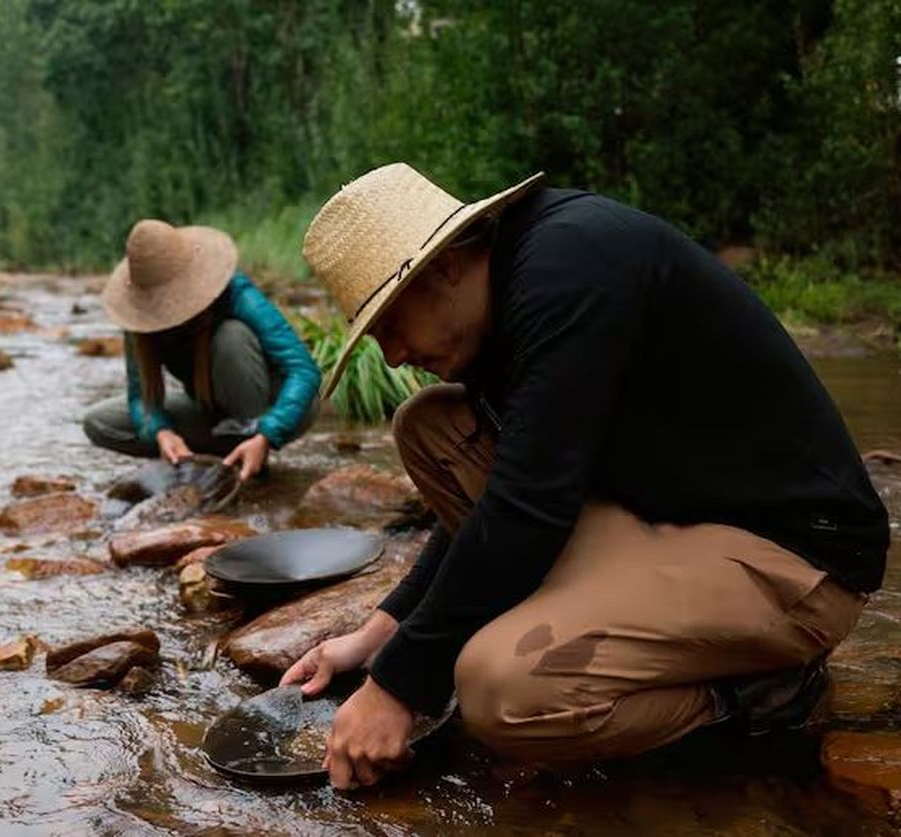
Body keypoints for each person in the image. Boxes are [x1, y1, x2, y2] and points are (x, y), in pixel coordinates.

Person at [286, 163, 890, 790]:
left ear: (442, 267)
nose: (394, 355)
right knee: (430, 426)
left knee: (499, 691)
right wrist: (382, 634)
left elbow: (526, 506)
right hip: (674, 521)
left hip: (799, 560)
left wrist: (397, 688)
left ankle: (761, 689)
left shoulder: (570, 269)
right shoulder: (507, 292)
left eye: (389, 324)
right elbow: (509, 491)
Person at [84, 219, 320, 480]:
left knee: (232, 336)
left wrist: (268, 433)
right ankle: (214, 457)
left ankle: (251, 449)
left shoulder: (235, 292)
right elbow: (141, 398)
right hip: (211, 413)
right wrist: (161, 432)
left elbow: (303, 369)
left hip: (273, 409)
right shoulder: (139, 318)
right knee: (99, 422)